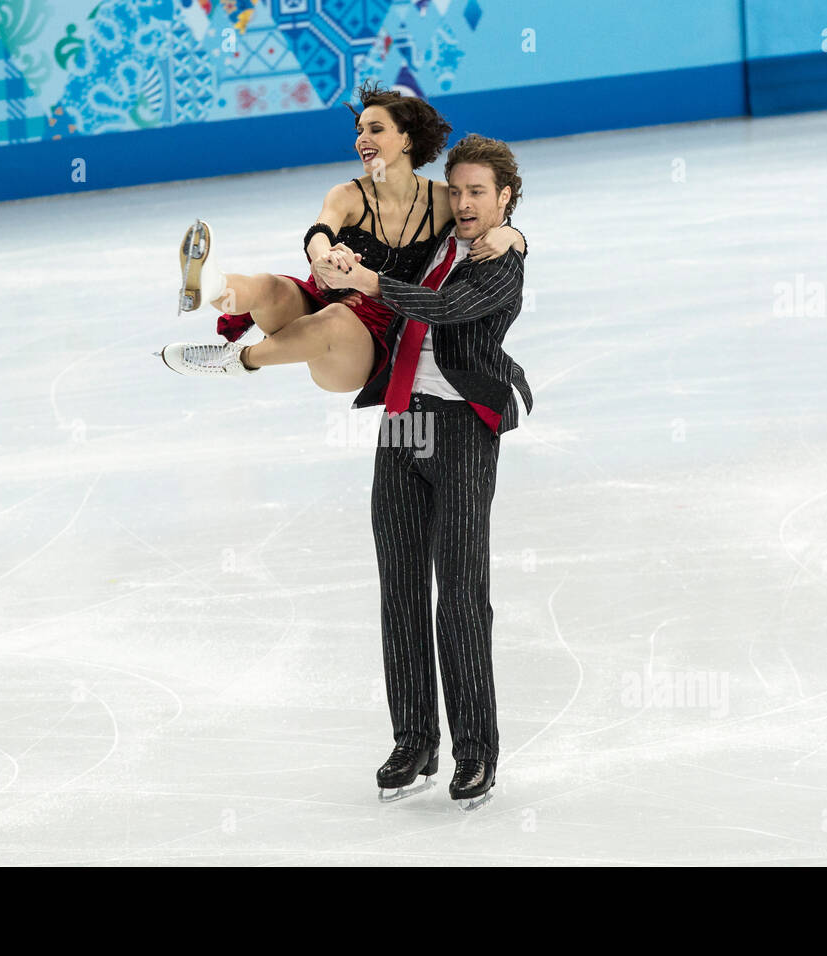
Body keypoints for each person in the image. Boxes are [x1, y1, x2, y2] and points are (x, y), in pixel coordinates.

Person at [314, 133, 534, 806]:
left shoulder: (500, 263)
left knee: (461, 593)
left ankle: (475, 753)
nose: (465, 205)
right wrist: (335, 254)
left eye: (480, 194)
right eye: (458, 191)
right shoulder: (431, 239)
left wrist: (516, 237)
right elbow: (364, 223)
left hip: (464, 425)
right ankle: (414, 740)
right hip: (401, 422)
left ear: (505, 200)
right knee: (400, 587)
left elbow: (446, 309)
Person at [159, 81, 526, 389]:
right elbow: (319, 231)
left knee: (334, 318)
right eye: (360, 131)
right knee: (272, 287)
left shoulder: (443, 200)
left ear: (407, 141)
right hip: (319, 303)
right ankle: (211, 286)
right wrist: (323, 255)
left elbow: (486, 215)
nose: (361, 139)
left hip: (369, 345)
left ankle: (237, 359)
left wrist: (513, 235)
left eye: (375, 129)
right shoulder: (348, 195)